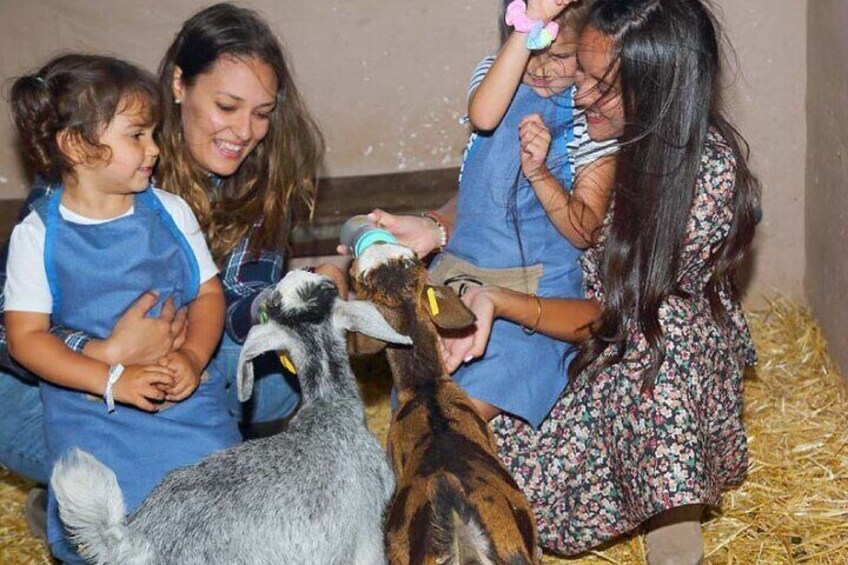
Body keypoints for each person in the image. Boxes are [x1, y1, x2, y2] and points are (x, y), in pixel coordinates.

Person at [0, 0, 336, 543]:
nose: (245, 131)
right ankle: (76, 502)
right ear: (179, 84)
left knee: (271, 371)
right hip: (86, 384)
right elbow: (15, 332)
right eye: (227, 106)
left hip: (188, 365)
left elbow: (227, 304)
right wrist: (104, 354)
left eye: (262, 112)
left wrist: (294, 303)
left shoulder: (184, 201)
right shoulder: (65, 198)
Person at [440, 0, 760, 563]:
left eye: (601, 84)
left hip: (635, 343)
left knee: (665, 347)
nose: (578, 93)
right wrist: (433, 226)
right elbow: (494, 198)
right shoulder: (579, 124)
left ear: (659, 89)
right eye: (580, 70)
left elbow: (613, 321)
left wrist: (505, 302)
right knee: (483, 444)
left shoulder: (704, 177)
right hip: (564, 319)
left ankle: (672, 510)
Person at [5, 53, 242, 564]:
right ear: (76, 145)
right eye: (137, 135)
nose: (154, 149)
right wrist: (112, 379)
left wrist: (194, 358)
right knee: (110, 528)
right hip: (93, 416)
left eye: (152, 134)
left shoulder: (169, 210)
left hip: (187, 408)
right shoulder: (38, 235)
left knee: (222, 520)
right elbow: (26, 338)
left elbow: (207, 294)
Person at [361, 0, 616, 429]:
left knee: (463, 414)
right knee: (417, 404)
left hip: (530, 295)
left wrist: (539, 174)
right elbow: (484, 116)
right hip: (459, 279)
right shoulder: (495, 76)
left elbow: (584, 230)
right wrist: (526, 31)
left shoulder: (586, 114)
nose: (540, 69)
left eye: (559, 56)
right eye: (529, 51)